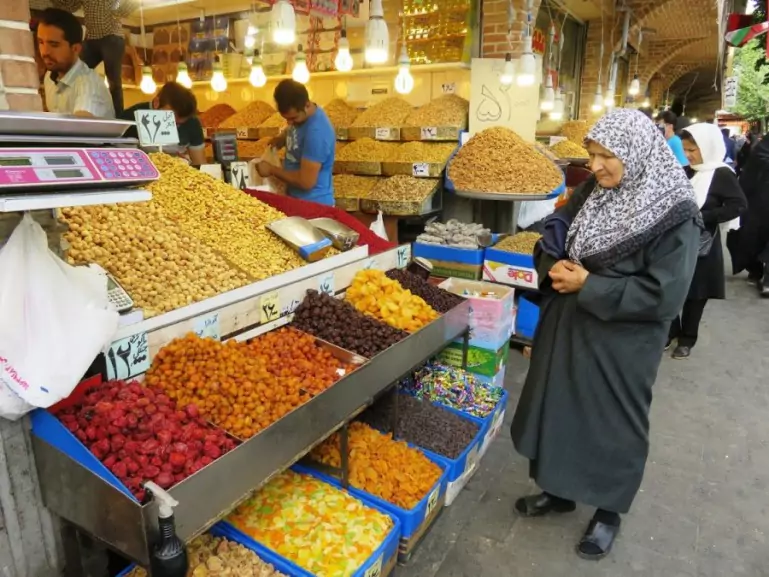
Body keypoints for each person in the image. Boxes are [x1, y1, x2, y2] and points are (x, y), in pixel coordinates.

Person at [510, 108, 702, 560]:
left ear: (636, 154)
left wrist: (589, 285)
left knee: (614, 422)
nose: (594, 167)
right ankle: (559, 491)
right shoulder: (597, 189)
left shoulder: (677, 214)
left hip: (622, 342)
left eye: (605, 157)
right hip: (569, 326)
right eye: (592, 155)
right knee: (561, 408)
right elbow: (556, 225)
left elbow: (666, 294)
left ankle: (609, 511)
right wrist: (553, 260)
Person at [668, 124, 746, 359]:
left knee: (696, 292)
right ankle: (669, 331)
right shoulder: (687, 171)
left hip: (703, 243)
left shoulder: (721, 174)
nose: (688, 155)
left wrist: (703, 217)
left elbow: (738, 205)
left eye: (693, 150)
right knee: (669, 287)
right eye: (685, 149)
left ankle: (687, 338)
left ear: (708, 147)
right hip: (676, 241)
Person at [256, 80, 335, 206]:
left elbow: (306, 182)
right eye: (286, 119)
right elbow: (294, 128)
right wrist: (282, 137)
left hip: (313, 206)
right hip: (295, 200)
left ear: (307, 105)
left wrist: (271, 170)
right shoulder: (301, 117)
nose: (290, 123)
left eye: (293, 118)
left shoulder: (317, 132)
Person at [51, 0, 136, 115]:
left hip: (111, 37)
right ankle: (64, 108)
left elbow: (130, 6)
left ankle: (118, 118)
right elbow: (71, 6)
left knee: (114, 81)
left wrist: (115, 12)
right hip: (91, 39)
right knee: (72, 71)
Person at [37, 8, 114, 118]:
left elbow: (79, 129)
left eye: (54, 44)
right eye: (41, 42)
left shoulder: (88, 84)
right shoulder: (49, 77)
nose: (44, 51)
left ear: (76, 49)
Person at [120, 82, 206, 166]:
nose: (173, 126)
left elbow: (199, 163)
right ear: (157, 102)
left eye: (179, 123)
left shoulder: (192, 123)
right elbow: (123, 161)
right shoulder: (129, 119)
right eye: (171, 118)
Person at [727, 133, 769, 294]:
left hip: (759, 199)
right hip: (760, 199)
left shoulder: (762, 147)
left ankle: (764, 277)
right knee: (751, 237)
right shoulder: (763, 150)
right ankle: (757, 271)